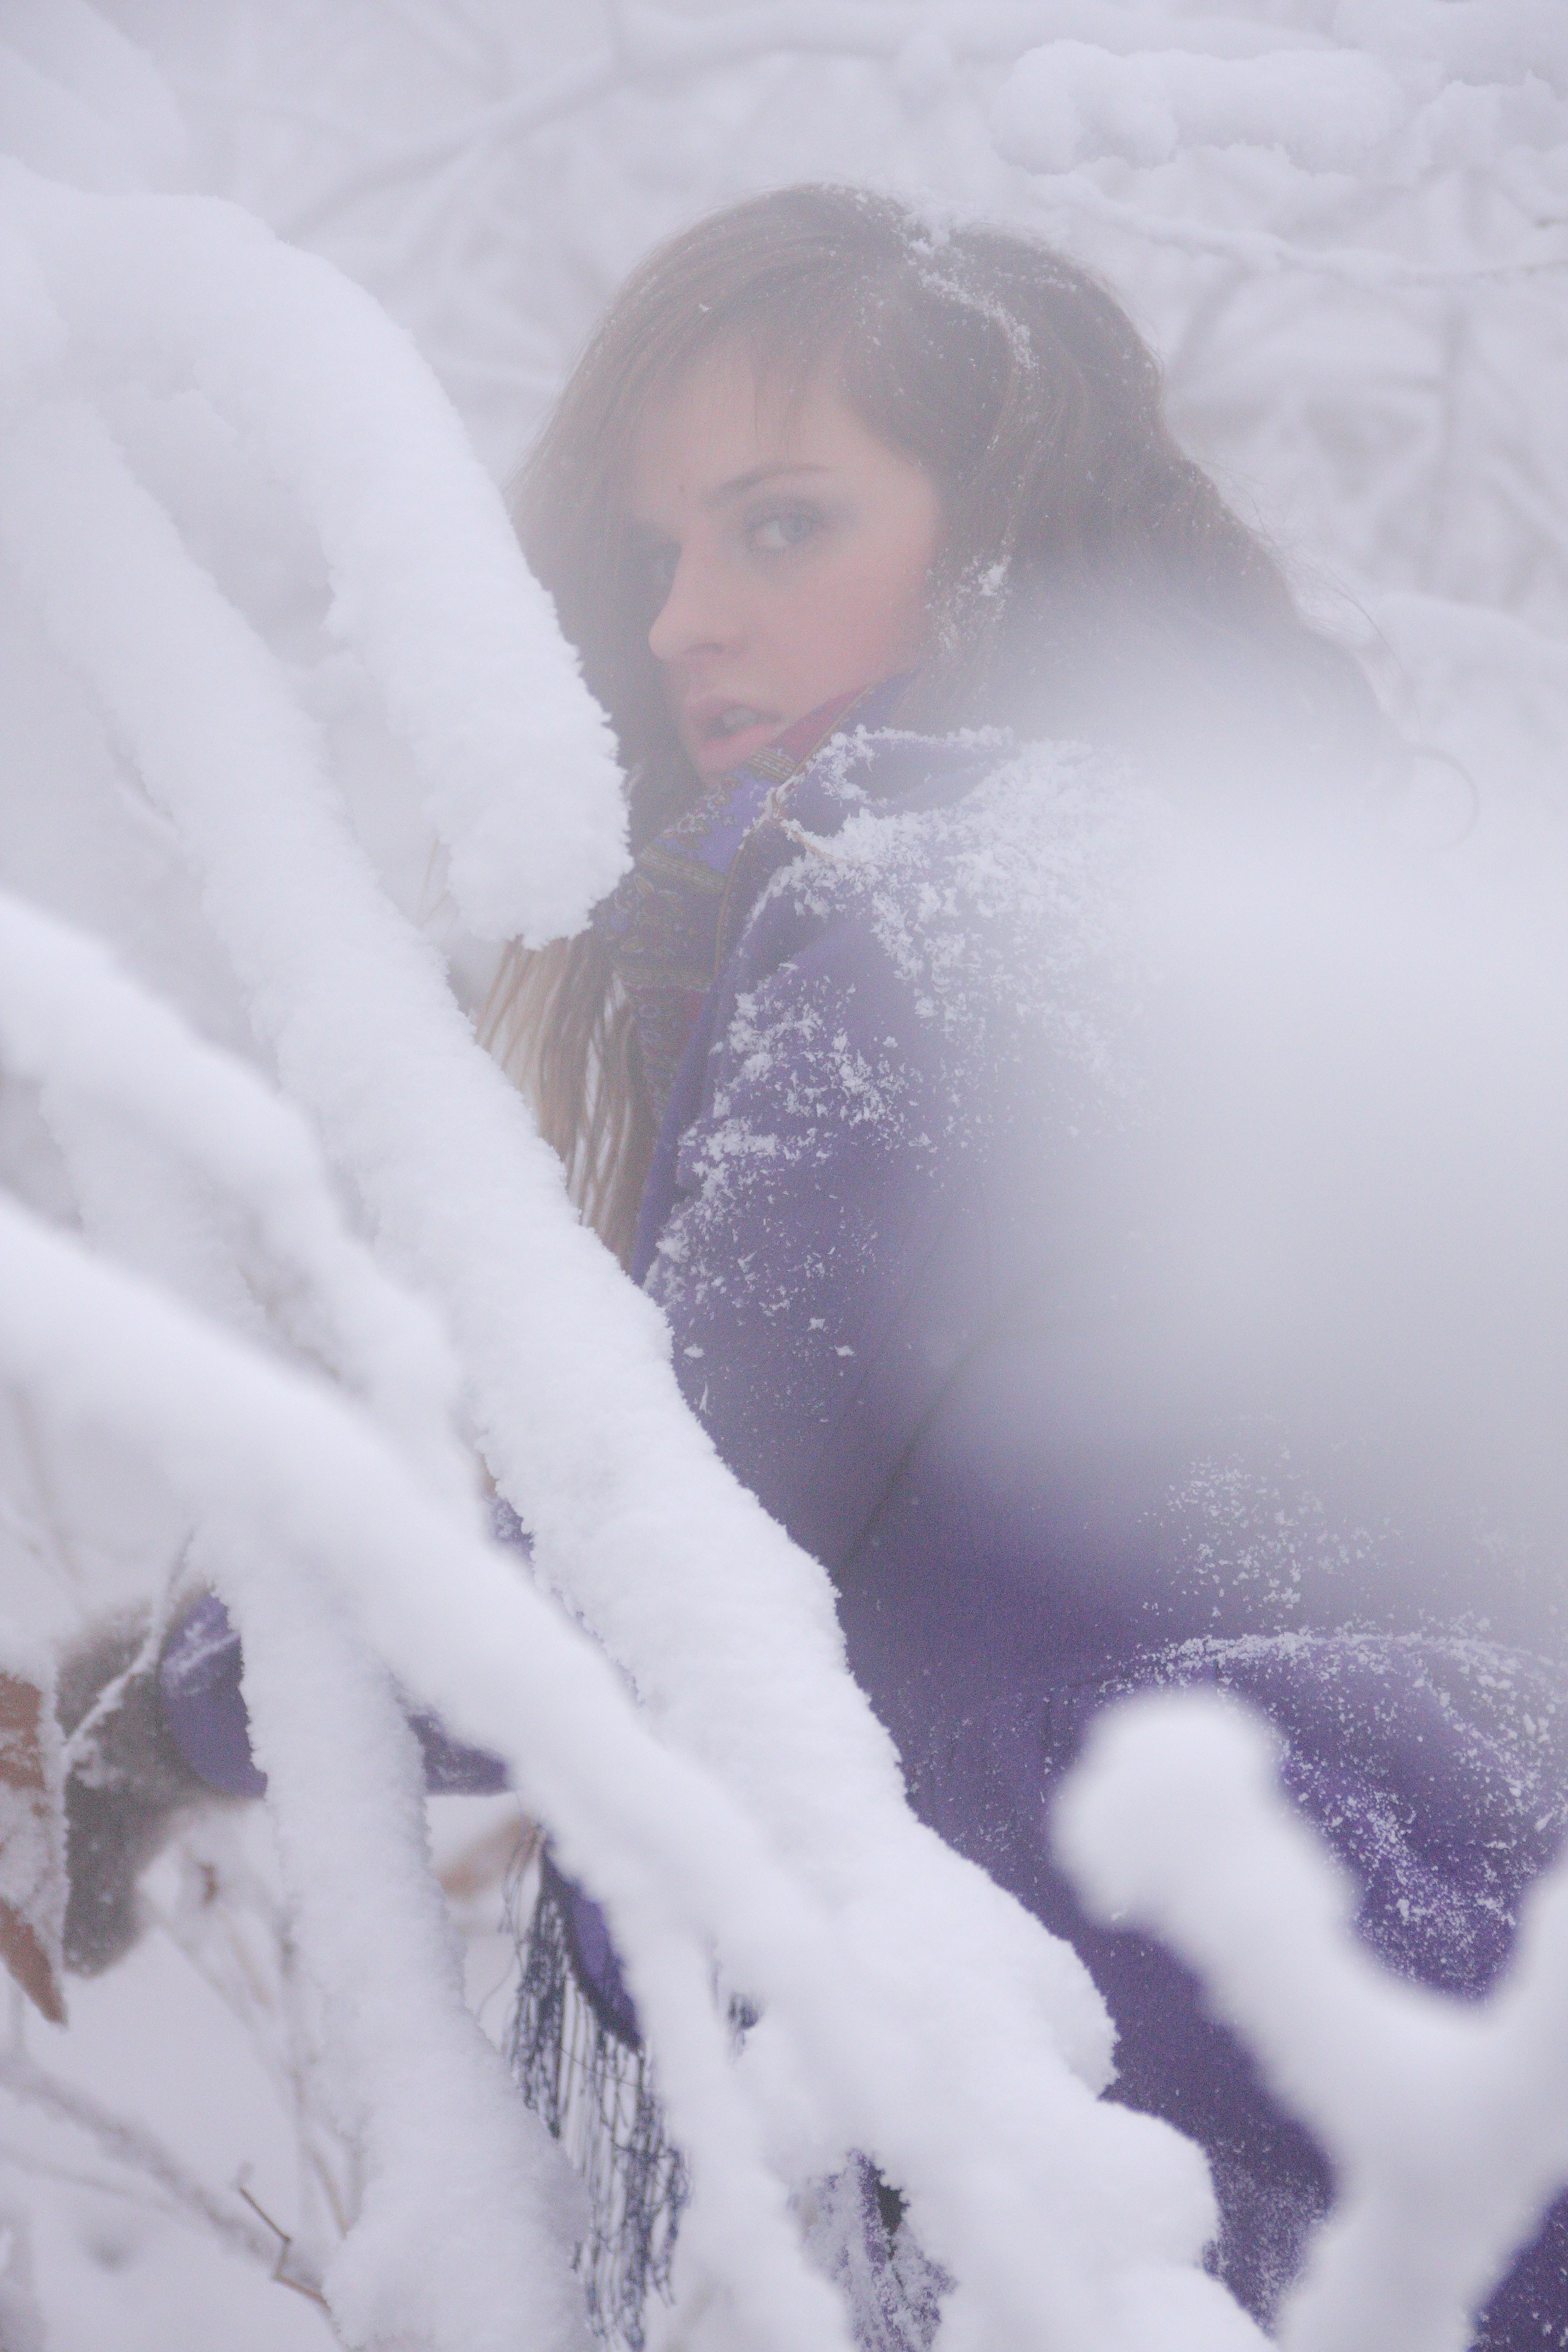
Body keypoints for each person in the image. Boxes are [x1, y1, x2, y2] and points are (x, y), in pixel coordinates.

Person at [55, 186, 1568, 2346]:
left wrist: (161, 1714)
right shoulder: (1271, 946)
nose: (680, 625)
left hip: (1119, 2172)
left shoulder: (920, 912)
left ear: (1001, 544)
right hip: (1408, 2086)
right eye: (659, 554)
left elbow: (659, 1577)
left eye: (779, 530)